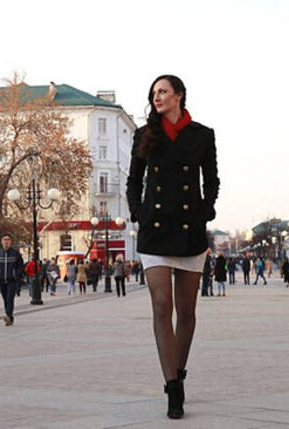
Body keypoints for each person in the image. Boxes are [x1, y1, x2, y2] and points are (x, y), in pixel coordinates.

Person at [126, 75, 220, 419]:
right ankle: (173, 386)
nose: (157, 97)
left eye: (163, 91)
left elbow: (211, 180)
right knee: (162, 304)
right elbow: (134, 180)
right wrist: (138, 213)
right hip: (154, 233)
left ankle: (178, 371)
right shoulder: (144, 134)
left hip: (189, 232)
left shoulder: (202, 135)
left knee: (187, 311)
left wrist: (205, 211)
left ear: (178, 95)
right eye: (154, 93)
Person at [0, 233, 24, 326]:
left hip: (12, 280)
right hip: (2, 279)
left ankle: (8, 315)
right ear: (2, 242)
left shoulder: (15, 253)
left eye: (8, 240)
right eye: (5, 240)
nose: (6, 242)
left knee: (10, 298)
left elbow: (20, 266)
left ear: (10, 242)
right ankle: (10, 316)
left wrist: (16, 275)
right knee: (5, 299)